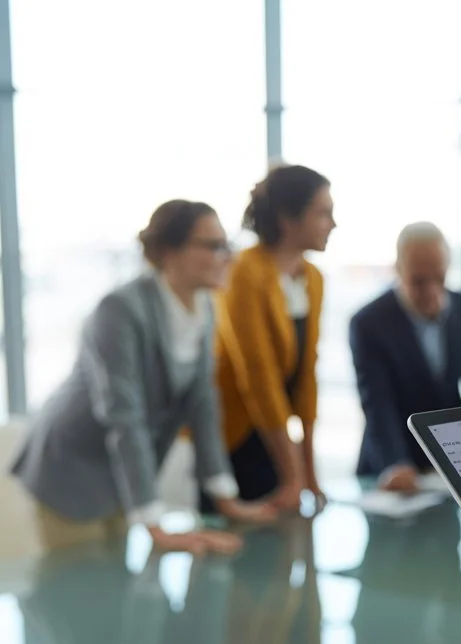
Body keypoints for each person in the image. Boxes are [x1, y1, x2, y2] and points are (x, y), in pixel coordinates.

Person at [11, 200, 274, 555]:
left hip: (122, 474)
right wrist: (156, 527)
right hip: (70, 468)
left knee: (117, 585)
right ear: (168, 252)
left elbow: (203, 406)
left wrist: (227, 499)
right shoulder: (119, 309)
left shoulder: (204, 307)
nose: (226, 256)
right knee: (77, 588)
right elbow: (125, 416)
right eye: (212, 246)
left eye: (226, 245)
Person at [211, 165, 333, 514]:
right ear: (287, 219)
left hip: (278, 441)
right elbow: (258, 377)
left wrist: (310, 474)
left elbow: (307, 376)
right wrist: (292, 475)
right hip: (236, 439)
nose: (333, 224)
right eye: (323, 213)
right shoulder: (244, 271)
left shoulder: (312, 277)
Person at [349, 222, 461, 492]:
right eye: (418, 281)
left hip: (451, 461)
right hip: (392, 463)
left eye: (438, 278)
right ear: (398, 269)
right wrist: (395, 464)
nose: (430, 291)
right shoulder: (368, 322)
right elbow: (377, 402)